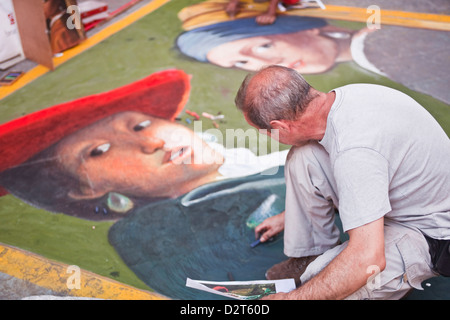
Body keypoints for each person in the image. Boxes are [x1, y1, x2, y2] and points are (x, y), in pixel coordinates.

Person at [235, 65, 450, 299]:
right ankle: (310, 253)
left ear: (280, 127)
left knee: (322, 281)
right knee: (304, 157)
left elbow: (368, 258)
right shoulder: (344, 98)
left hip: (431, 234)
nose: (265, 136)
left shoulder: (355, 151)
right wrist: (290, 216)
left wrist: (291, 298)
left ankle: (398, 278)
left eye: (263, 131)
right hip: (408, 196)